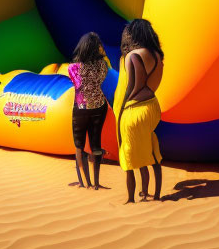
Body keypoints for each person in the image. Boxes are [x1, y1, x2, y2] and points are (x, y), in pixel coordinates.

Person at [113, 18, 164, 203]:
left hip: (134, 109)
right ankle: (153, 194)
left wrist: (121, 113)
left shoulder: (133, 55)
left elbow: (132, 87)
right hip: (152, 107)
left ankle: (131, 198)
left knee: (129, 155)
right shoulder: (158, 55)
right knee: (149, 150)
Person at [66, 32, 110, 190]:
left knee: (79, 144)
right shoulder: (103, 64)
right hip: (99, 105)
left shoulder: (73, 68)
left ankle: (85, 182)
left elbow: (78, 86)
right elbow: (101, 80)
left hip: (81, 107)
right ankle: (97, 182)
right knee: (96, 143)